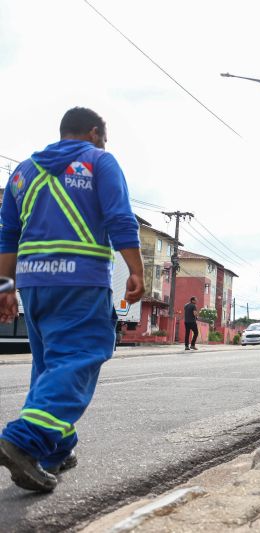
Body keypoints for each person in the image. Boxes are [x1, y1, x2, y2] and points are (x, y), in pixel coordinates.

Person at [0, 107, 143, 492]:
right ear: (95, 133)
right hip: (80, 281)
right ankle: (24, 439)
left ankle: (57, 449)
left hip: (32, 285)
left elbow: (8, 234)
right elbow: (120, 218)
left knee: (50, 367)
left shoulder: (23, 172)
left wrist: (5, 287)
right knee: (82, 355)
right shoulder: (100, 162)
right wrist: (136, 269)